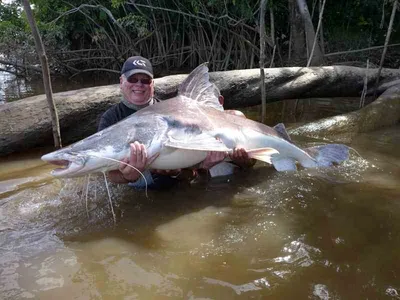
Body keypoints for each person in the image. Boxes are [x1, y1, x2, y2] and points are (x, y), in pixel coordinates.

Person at [98, 56, 254, 189]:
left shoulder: (172, 111)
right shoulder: (110, 118)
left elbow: (191, 171)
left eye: (145, 80)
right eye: (133, 79)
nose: (139, 84)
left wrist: (180, 172)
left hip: (178, 181)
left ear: (152, 84)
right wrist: (128, 176)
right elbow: (110, 175)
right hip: (140, 186)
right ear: (121, 81)